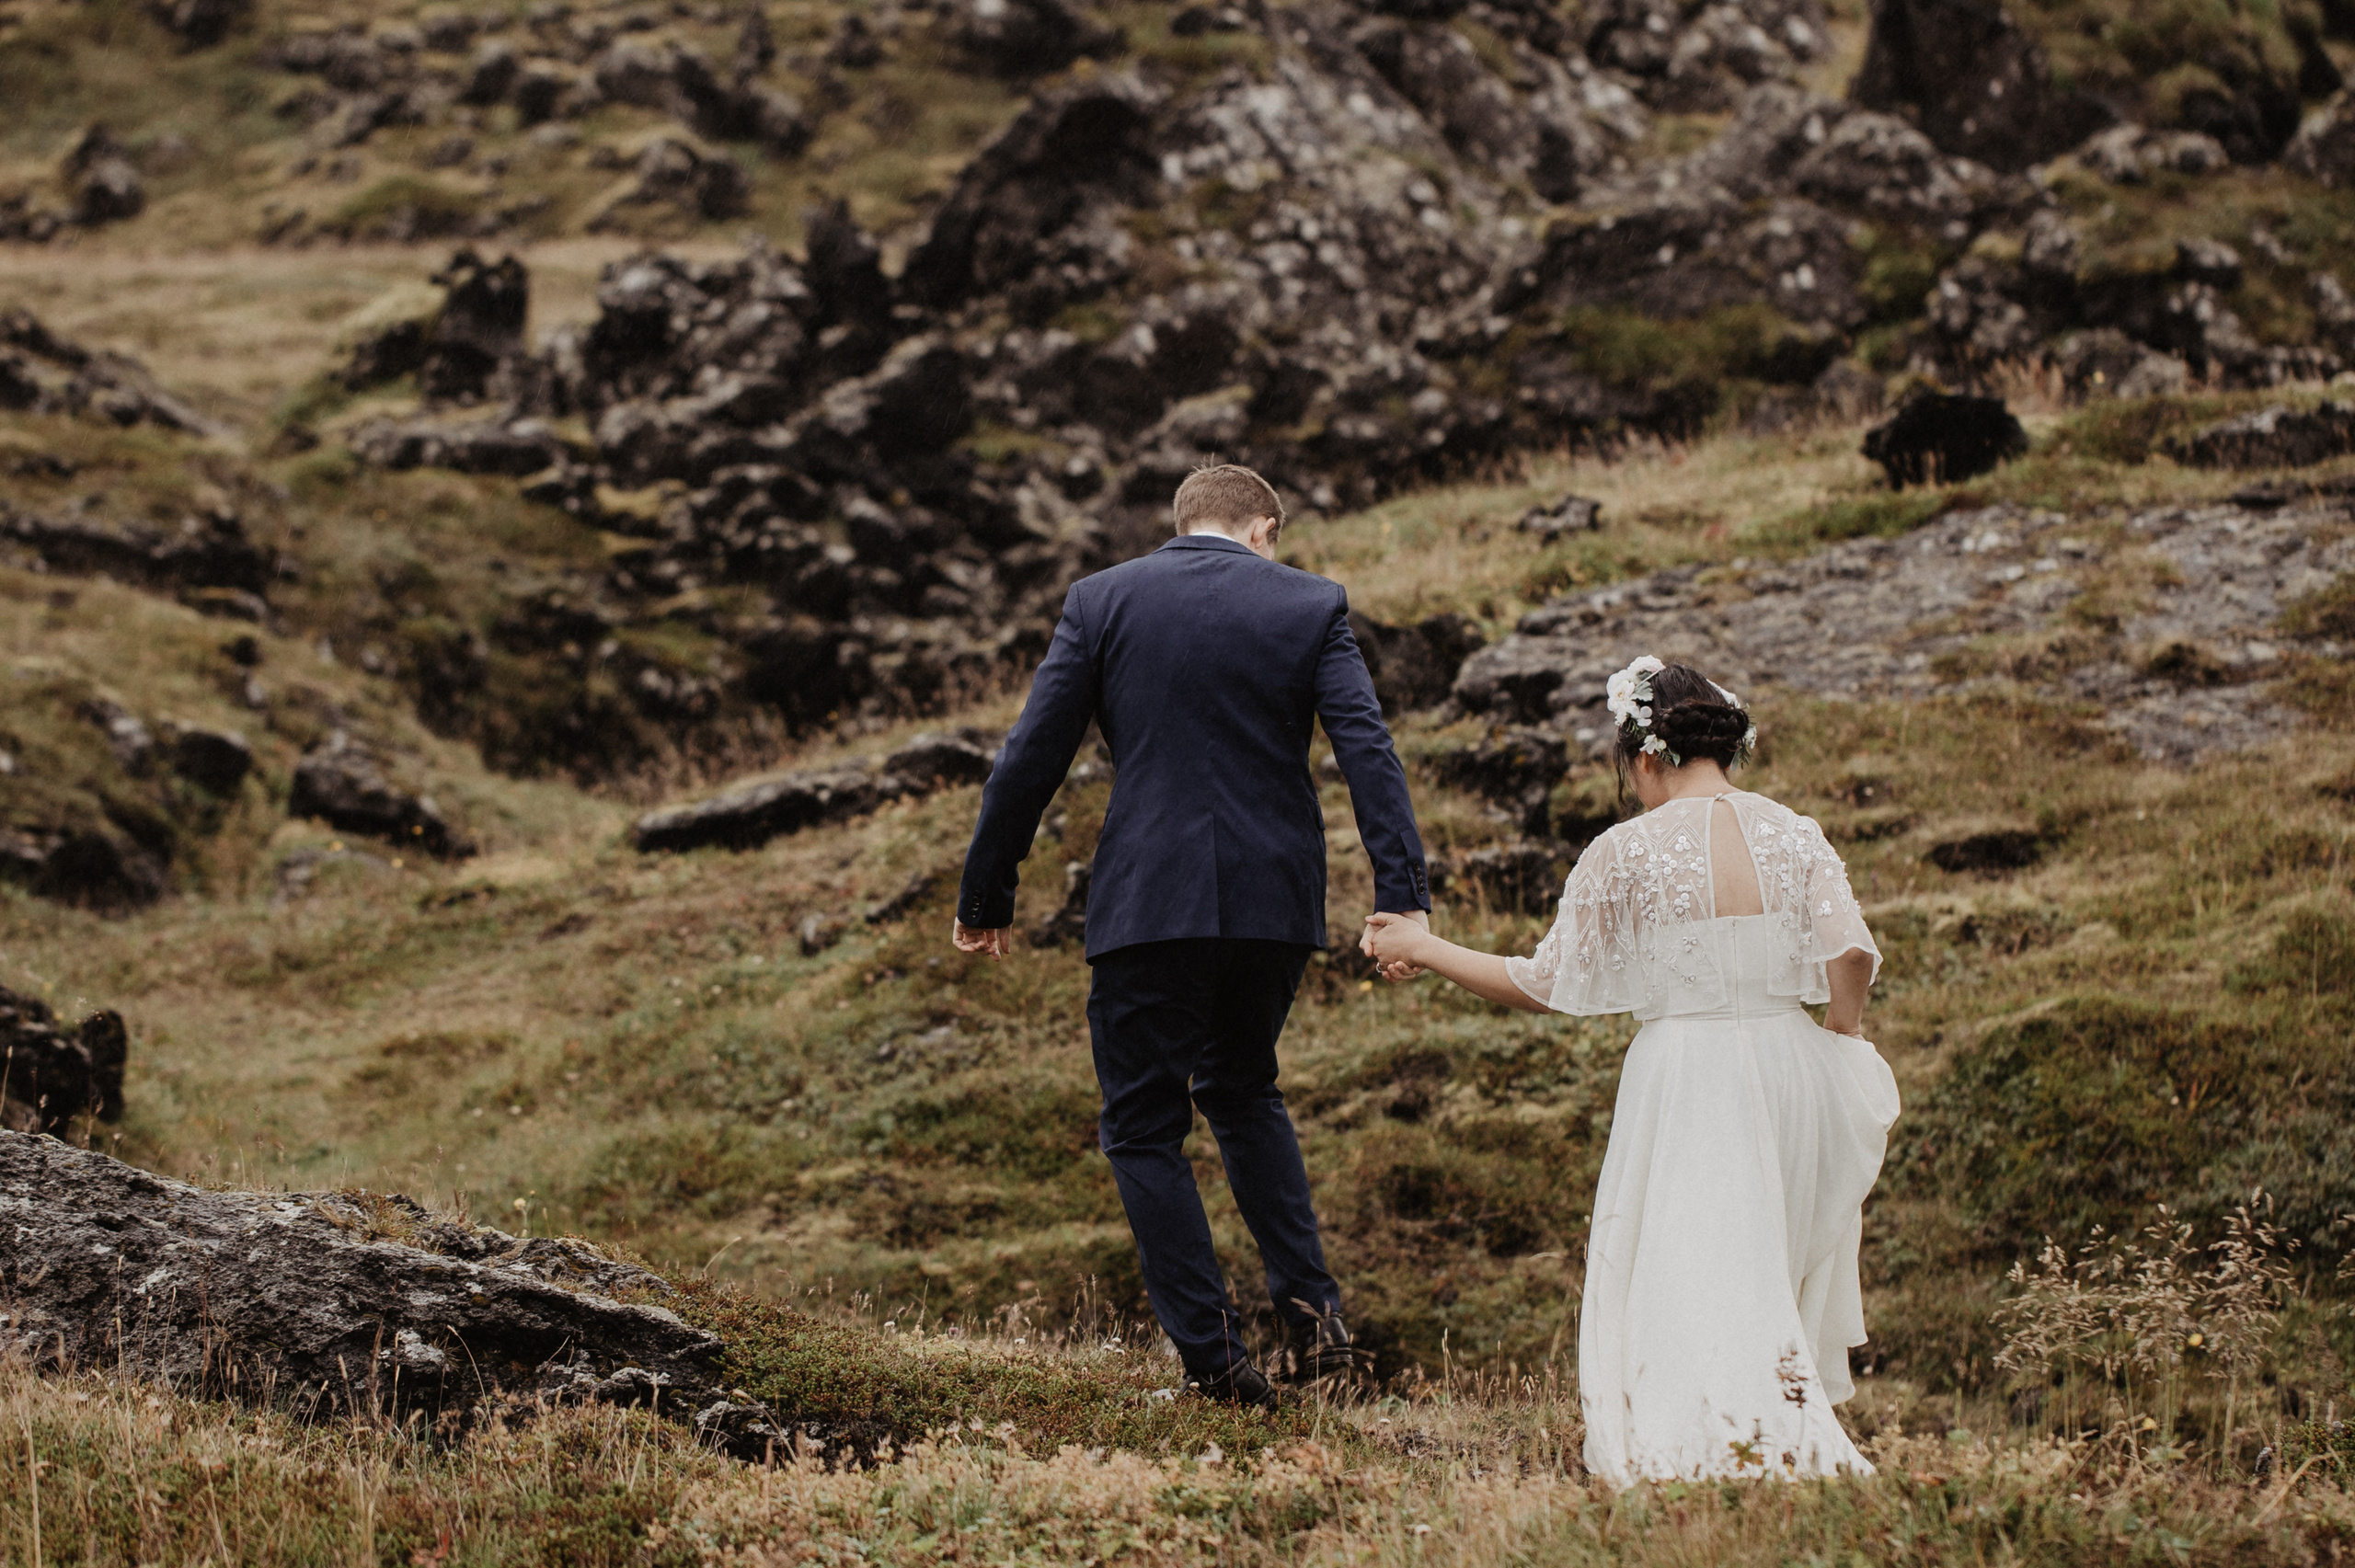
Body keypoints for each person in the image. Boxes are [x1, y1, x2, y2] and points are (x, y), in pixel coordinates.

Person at [952, 464, 1433, 1408]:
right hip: (1272, 901)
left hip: (1148, 900)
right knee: (1245, 1089)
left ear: (1185, 525)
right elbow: (1366, 749)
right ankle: (1316, 1319)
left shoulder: (1102, 600)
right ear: (1263, 528)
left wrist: (987, 893)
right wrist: (1401, 896)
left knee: (1141, 1126)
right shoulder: (1311, 603)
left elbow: (1027, 758)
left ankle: (1219, 1364)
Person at [1362, 657, 1899, 1485]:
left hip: (1689, 1070)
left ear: (1646, 757)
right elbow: (1853, 949)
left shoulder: (1625, 851)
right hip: (1788, 1063)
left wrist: (1425, 947)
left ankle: (1708, 1448)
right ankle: (1772, 1435)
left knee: (1692, 1259)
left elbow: (1544, 983)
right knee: (1759, 1258)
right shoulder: (1796, 831)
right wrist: (1843, 1029)